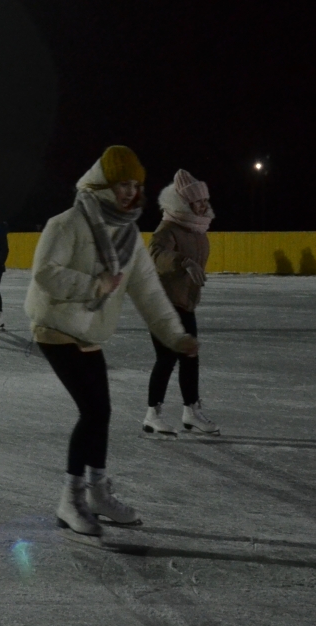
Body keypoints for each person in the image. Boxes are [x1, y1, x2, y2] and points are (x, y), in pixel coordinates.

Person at [25, 146, 198, 544]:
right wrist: (94, 285)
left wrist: (176, 336)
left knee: (101, 412)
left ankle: (97, 493)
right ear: (103, 184)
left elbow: (149, 292)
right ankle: (71, 500)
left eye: (135, 185)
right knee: (93, 411)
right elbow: (45, 273)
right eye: (123, 184)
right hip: (54, 327)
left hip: (89, 332)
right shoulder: (66, 223)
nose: (130, 192)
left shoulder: (128, 235)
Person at [143, 169, 218, 437]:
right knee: (166, 358)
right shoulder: (168, 228)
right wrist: (182, 262)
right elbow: (156, 253)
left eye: (205, 200)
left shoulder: (197, 229)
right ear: (184, 203)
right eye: (198, 201)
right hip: (162, 304)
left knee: (190, 356)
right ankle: (153, 414)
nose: (203, 205)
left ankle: (191, 412)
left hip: (184, 303)